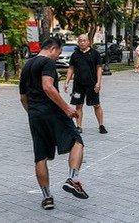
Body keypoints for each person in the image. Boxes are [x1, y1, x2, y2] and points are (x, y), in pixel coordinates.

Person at [20, 38, 88, 210]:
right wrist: (66, 108)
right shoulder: (47, 63)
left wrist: (33, 114)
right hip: (53, 112)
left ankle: (47, 197)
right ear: (52, 49)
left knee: (40, 156)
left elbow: (23, 97)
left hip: (35, 115)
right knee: (77, 141)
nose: (58, 57)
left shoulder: (27, 65)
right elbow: (48, 87)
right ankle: (73, 179)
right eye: (58, 53)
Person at [63, 34, 106, 134]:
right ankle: (78, 126)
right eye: (80, 41)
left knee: (96, 105)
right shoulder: (75, 54)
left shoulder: (95, 54)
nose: (82, 42)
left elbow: (99, 68)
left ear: (88, 42)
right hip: (78, 85)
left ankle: (101, 125)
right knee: (78, 105)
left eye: (84, 41)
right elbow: (71, 69)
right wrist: (66, 82)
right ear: (78, 42)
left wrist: (98, 83)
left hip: (92, 84)